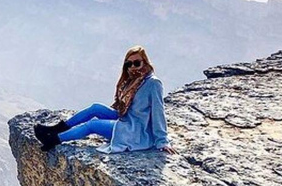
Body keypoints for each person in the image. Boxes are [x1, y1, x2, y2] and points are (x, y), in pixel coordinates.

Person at [34, 45, 177, 154]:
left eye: (137, 63)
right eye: (129, 64)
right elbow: (123, 105)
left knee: (92, 125)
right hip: (126, 117)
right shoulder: (134, 80)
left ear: (145, 62)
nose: (133, 67)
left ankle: (52, 140)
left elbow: (158, 112)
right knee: (96, 108)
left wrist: (162, 141)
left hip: (135, 130)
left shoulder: (152, 83)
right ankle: (54, 130)